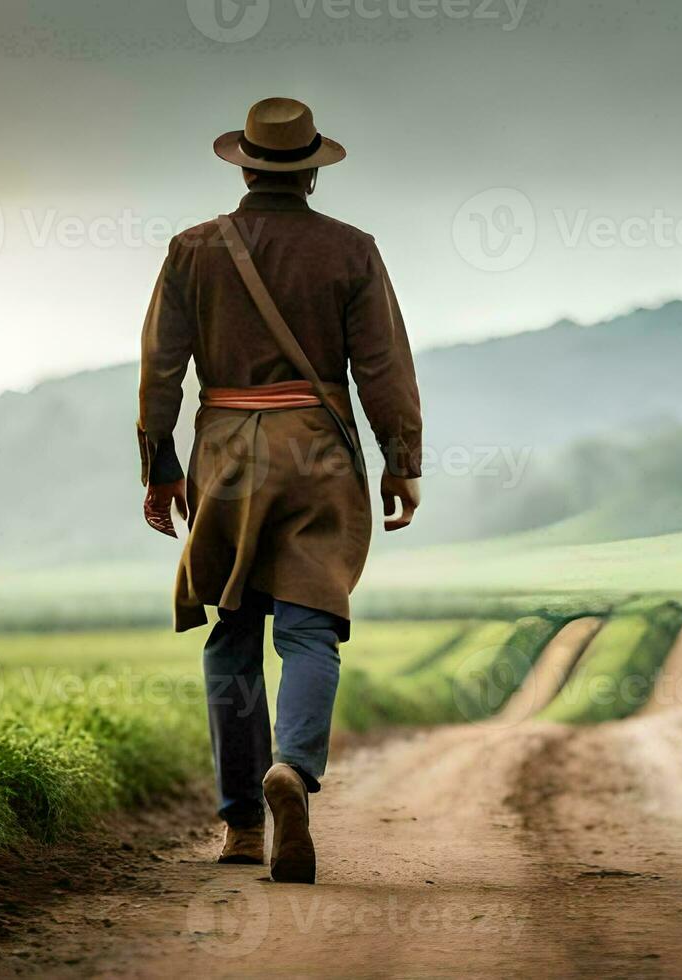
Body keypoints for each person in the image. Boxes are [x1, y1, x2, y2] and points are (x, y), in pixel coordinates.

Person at [137, 97, 423, 884]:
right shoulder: (352, 251)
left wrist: (159, 463)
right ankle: (292, 768)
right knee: (310, 629)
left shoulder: (192, 249)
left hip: (227, 456)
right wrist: (402, 461)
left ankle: (239, 826)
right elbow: (383, 368)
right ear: (309, 176)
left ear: (245, 165)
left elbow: (162, 367)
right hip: (319, 455)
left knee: (232, 636)